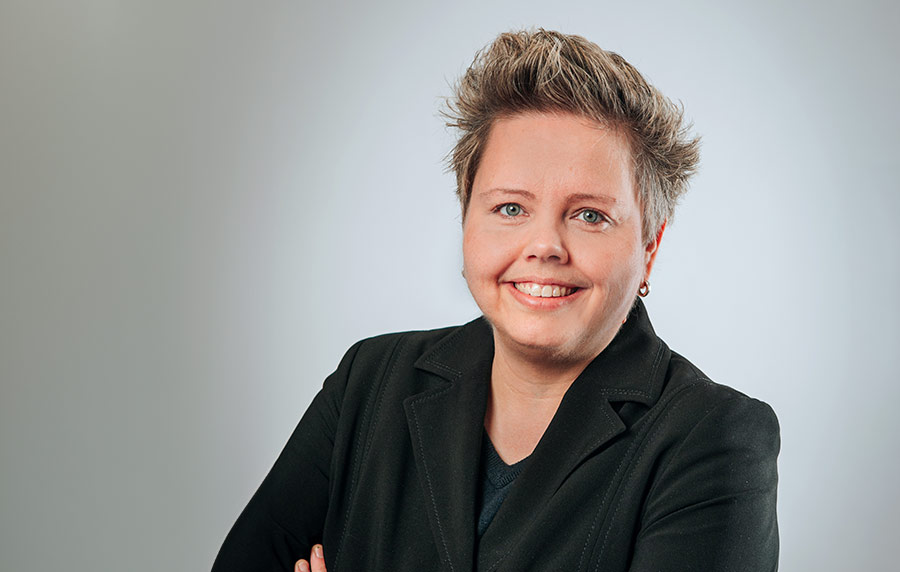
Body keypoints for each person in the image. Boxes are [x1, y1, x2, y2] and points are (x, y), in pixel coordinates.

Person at [212, 29, 780, 572]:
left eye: (590, 215)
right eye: (510, 208)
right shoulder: (369, 382)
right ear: (466, 218)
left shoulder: (715, 438)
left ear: (648, 249)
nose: (545, 246)